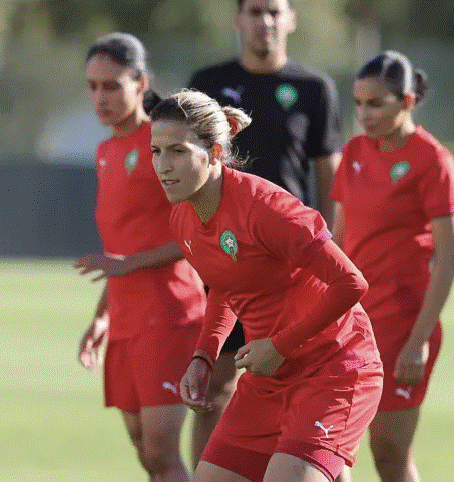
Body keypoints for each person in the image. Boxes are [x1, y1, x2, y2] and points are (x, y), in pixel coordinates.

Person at [150, 89, 383, 482]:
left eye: (177, 151)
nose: (163, 166)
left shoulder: (267, 209)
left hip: (335, 369)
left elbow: (350, 283)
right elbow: (226, 284)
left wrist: (278, 346)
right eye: (156, 151)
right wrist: (204, 356)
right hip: (270, 380)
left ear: (215, 152)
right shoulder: (183, 218)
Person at [186, 0, 344, 462]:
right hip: (231, 255)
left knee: (310, 383)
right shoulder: (209, 84)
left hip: (294, 265)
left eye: (275, 11)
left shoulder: (313, 88)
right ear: (238, 19)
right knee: (215, 382)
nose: (265, 21)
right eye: (255, 11)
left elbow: (328, 175)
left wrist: (331, 250)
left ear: (292, 19)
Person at [75, 32, 205, 482]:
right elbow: (121, 245)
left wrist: (127, 265)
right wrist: (102, 317)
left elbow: (197, 231)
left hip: (169, 313)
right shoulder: (107, 151)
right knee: (145, 452)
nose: (99, 97)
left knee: (162, 452)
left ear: (141, 82)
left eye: (111, 85)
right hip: (127, 318)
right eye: (92, 86)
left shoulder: (164, 140)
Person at [330, 51, 454, 482]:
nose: (363, 114)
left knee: (388, 452)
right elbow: (338, 242)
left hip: (402, 323)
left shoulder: (432, 160)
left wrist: (419, 339)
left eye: (375, 104)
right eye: (358, 103)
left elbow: (449, 256)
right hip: (349, 321)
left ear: (406, 102)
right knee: (329, 443)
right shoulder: (353, 152)